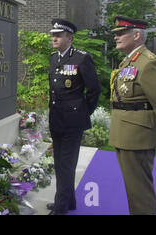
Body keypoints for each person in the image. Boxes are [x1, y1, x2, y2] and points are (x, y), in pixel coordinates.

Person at [109, 16, 156, 215]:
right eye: (116, 34)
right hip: (126, 134)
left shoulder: (148, 63)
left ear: (136, 35)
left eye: (120, 33)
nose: (116, 37)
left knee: (140, 193)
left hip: (139, 136)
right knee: (133, 191)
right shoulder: (130, 60)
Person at [47, 19, 102, 215]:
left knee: (67, 164)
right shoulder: (54, 58)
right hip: (57, 120)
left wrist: (83, 112)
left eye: (59, 35)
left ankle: (61, 208)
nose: (54, 38)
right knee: (59, 163)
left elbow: (95, 89)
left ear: (69, 38)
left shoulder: (81, 58)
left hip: (73, 122)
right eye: (53, 34)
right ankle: (68, 201)